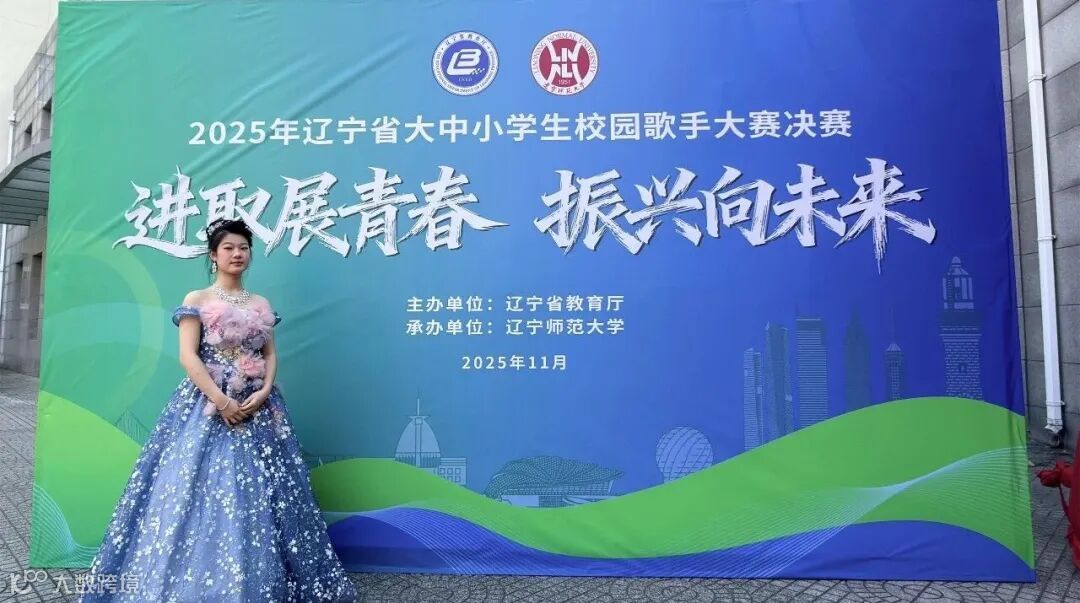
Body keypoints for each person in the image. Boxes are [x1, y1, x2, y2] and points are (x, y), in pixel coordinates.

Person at [80, 218, 358, 602]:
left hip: (258, 406)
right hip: (205, 405)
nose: (237, 254)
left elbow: (270, 354)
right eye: (228, 248)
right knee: (200, 488)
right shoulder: (197, 299)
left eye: (243, 248)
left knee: (267, 492)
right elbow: (188, 357)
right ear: (213, 255)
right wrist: (222, 401)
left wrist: (264, 390)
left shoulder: (260, 304)